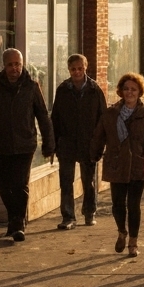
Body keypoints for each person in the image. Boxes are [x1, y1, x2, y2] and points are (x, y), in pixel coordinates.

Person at [0, 48, 55, 242]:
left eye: (18, 64)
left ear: (23, 64)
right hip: (2, 145)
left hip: (24, 145)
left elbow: (43, 116)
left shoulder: (31, 86)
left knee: (20, 185)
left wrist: (48, 143)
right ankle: (13, 219)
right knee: (5, 186)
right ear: (4, 66)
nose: (15, 68)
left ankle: (18, 223)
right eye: (11, 65)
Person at [89, 73, 144, 257]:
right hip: (116, 164)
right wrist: (94, 155)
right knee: (117, 204)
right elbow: (99, 136)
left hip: (136, 165)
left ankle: (133, 241)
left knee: (133, 205)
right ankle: (121, 232)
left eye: (133, 89)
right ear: (120, 91)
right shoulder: (110, 113)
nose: (129, 92)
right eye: (126, 89)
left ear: (140, 91)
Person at [51, 54, 108, 229]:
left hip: (88, 144)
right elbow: (55, 118)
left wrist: (100, 144)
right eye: (73, 69)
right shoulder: (62, 90)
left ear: (85, 68)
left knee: (89, 182)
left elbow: (103, 119)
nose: (77, 72)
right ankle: (68, 217)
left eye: (80, 68)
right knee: (66, 181)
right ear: (69, 70)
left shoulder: (95, 90)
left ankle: (89, 212)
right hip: (67, 143)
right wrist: (54, 144)